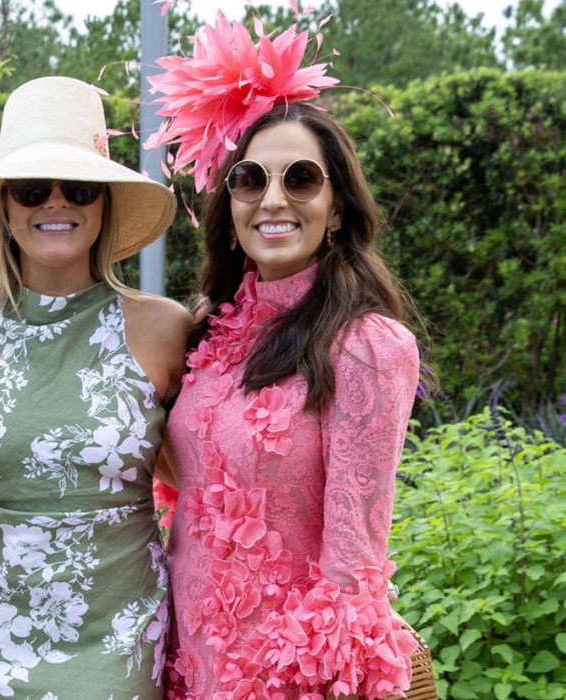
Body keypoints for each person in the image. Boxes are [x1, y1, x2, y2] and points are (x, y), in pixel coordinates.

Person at [145, 13, 426, 700]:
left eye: (300, 179)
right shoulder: (208, 336)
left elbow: (353, 569)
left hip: (285, 676)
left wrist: (300, 679)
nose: (273, 199)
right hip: (190, 663)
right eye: (249, 179)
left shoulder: (365, 346)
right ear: (230, 203)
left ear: (334, 208)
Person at [0, 75, 189, 700]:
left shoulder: (162, 329)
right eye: (30, 189)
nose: (55, 203)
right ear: (4, 206)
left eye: (78, 188)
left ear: (104, 205)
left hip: (120, 633)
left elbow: (205, 480)